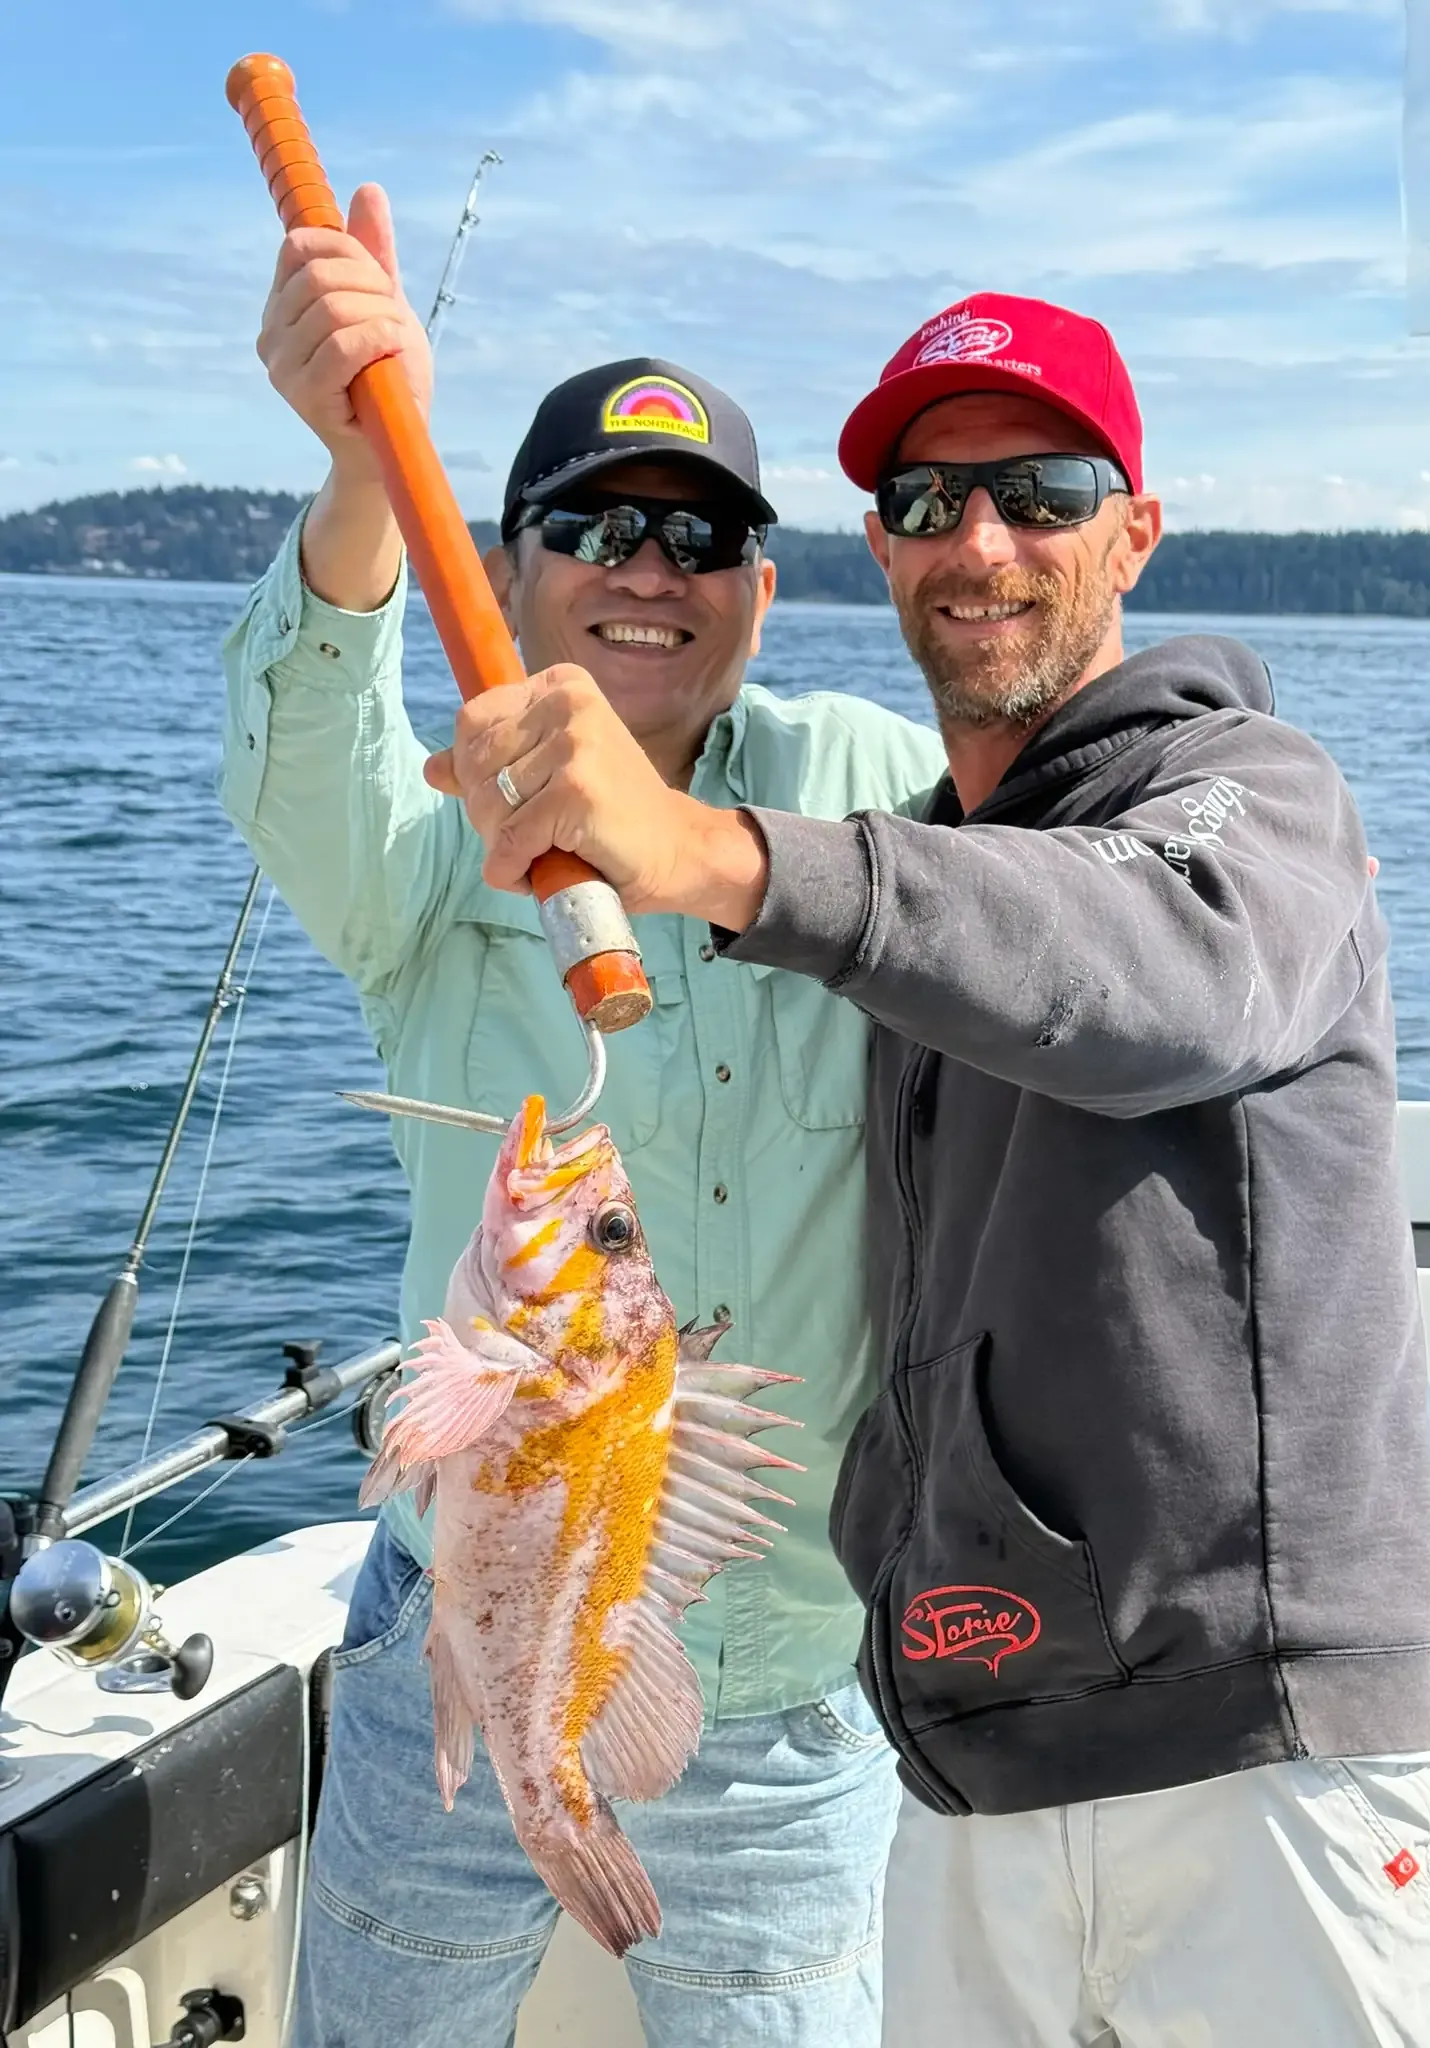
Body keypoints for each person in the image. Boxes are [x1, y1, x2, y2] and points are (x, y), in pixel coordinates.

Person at [443, 290, 1430, 2046]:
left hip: (1258, 1758)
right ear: (879, 550)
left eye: (1043, 491)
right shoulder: (937, 888)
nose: (982, 541)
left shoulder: (1257, 797)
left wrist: (708, 850)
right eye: (928, 502)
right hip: (966, 1765)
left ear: (1135, 532)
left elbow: (1151, 968)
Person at [219, 184, 945, 2048]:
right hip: (453, 1651)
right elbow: (299, 763)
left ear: (761, 594)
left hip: (791, 1685)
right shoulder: (430, 829)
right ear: (511, 565)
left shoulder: (871, 785)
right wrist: (360, 478)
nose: (649, 567)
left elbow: (1062, 878)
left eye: (700, 536)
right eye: (596, 525)